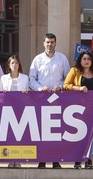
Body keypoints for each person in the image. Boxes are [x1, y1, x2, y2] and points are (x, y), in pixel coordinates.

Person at [29, 33, 70, 169]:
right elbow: (31, 80)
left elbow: (68, 78)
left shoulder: (62, 59)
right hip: (41, 100)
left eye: (52, 42)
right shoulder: (37, 59)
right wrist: (40, 88)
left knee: (56, 131)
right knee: (42, 131)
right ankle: (42, 160)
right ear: (43, 43)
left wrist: (61, 86)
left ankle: (55, 160)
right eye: (47, 42)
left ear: (55, 43)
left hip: (58, 100)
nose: (49, 44)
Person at [63, 50, 93, 169]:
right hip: (77, 108)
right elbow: (65, 85)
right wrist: (78, 88)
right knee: (79, 134)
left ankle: (88, 159)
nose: (87, 61)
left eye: (89, 59)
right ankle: (77, 160)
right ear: (80, 60)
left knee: (91, 135)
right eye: (84, 59)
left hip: (92, 107)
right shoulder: (74, 71)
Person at [0, 54, 29, 168]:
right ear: (9, 65)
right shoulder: (3, 78)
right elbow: (1, 93)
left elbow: (29, 93)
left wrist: (27, 91)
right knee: (10, 135)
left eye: (16, 63)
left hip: (21, 109)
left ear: (19, 64)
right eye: (12, 63)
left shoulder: (25, 78)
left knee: (19, 135)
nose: (14, 65)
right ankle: (11, 159)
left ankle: (19, 159)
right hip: (8, 110)